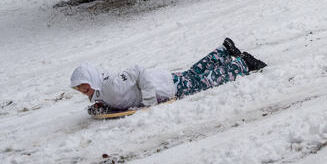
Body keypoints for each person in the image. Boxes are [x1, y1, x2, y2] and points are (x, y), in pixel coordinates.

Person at [70, 38, 267, 111]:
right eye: (79, 88)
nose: (83, 90)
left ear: (92, 79)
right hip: (163, 80)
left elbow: (138, 70)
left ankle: (243, 64)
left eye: (84, 85)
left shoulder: (111, 85)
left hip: (164, 87)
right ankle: (224, 50)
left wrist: (149, 102)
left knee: (204, 82)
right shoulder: (101, 90)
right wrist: (100, 103)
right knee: (193, 75)